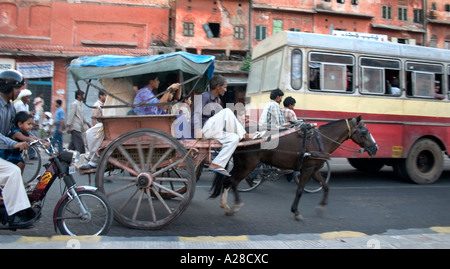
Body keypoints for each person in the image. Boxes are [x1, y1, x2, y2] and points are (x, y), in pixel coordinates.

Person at [0, 69, 36, 228]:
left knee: (16, 167)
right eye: (17, 88)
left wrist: (30, 138)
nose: (20, 92)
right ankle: (14, 215)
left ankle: (19, 208)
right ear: (8, 87)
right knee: (13, 171)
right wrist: (14, 144)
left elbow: (11, 131)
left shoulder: (10, 107)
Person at [192, 75, 248, 177]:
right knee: (227, 111)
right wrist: (197, 129)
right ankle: (245, 135)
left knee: (234, 138)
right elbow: (196, 114)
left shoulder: (217, 100)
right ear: (218, 87)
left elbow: (222, 119)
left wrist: (237, 121)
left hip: (212, 131)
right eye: (225, 87)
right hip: (203, 130)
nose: (226, 90)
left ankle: (216, 163)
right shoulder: (204, 97)